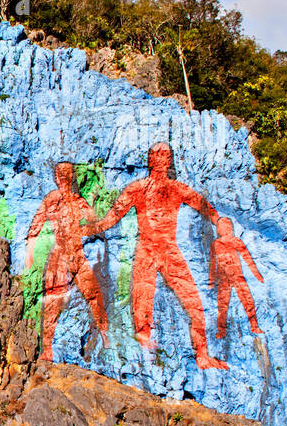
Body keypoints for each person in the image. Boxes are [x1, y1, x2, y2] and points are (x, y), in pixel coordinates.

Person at [90, 142, 227, 369]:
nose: (162, 158)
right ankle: (143, 342)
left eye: (166, 154)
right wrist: (91, 228)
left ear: (170, 159)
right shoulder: (138, 188)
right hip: (146, 248)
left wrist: (220, 221)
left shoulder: (177, 189)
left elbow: (203, 205)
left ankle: (202, 355)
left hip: (169, 249)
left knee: (194, 302)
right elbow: (113, 216)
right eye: (157, 153)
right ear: (150, 159)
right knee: (142, 298)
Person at [25, 162, 108, 363]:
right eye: (61, 173)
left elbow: (95, 225)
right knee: (52, 301)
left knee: (94, 294)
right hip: (59, 255)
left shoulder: (79, 202)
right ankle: (46, 349)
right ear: (56, 177)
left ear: (72, 176)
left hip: (77, 255)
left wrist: (87, 225)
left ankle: (106, 337)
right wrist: (29, 256)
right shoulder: (52, 199)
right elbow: (35, 226)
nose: (64, 176)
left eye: (68, 173)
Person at [210, 216, 264, 339]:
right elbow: (213, 263)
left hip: (237, 275)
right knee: (222, 306)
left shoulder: (236, 241)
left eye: (227, 226)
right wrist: (211, 280)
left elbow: (247, 258)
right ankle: (221, 331)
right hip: (223, 278)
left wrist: (257, 275)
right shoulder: (215, 244)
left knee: (247, 300)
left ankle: (254, 325)